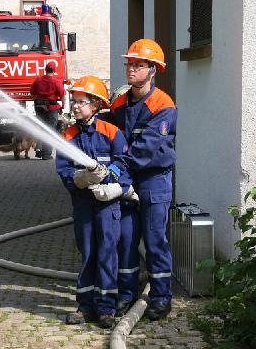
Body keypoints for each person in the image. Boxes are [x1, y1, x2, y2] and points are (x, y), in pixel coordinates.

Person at [84, 39, 177, 320]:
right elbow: (108, 135)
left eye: (138, 65)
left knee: (154, 239)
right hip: (125, 179)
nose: (131, 69)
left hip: (153, 180)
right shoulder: (119, 104)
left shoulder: (163, 105)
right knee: (125, 238)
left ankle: (161, 297)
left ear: (153, 70)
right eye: (129, 64)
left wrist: (115, 169)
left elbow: (145, 148)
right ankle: (126, 293)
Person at [56, 75, 135, 329]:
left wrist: (112, 181)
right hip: (83, 204)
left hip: (107, 205)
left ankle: (106, 309)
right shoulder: (68, 136)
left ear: (96, 105)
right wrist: (78, 178)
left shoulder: (111, 132)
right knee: (88, 252)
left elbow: (124, 163)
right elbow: (64, 169)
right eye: (74, 101)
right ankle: (85, 307)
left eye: (81, 102)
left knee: (107, 254)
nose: (76, 106)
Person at [30, 61, 65, 160]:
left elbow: (32, 93)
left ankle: (39, 149)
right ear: (54, 70)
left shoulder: (38, 80)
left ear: (45, 70)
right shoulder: (56, 81)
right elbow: (62, 95)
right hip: (51, 108)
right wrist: (63, 106)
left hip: (39, 107)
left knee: (41, 127)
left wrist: (38, 100)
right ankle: (46, 154)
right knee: (50, 130)